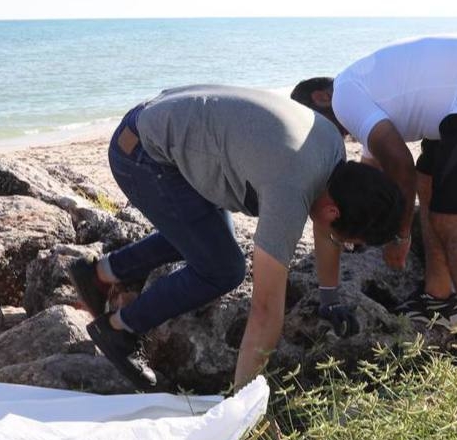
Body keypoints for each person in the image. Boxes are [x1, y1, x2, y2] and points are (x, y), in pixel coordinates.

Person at [68, 85, 403, 391]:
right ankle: (119, 328)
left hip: (157, 120)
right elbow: (265, 310)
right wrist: (247, 406)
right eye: (346, 240)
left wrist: (330, 299)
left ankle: (99, 274)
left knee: (202, 235)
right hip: (140, 154)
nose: (340, 244)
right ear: (333, 212)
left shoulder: (332, 150)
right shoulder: (290, 190)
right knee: (222, 268)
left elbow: (325, 228)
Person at [292, 34, 457, 331]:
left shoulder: (344, 98)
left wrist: (399, 237)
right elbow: (370, 177)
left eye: (314, 125)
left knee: (453, 221)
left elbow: (401, 166)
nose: (321, 138)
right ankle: (438, 295)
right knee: (429, 183)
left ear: (321, 97)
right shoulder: (364, 98)